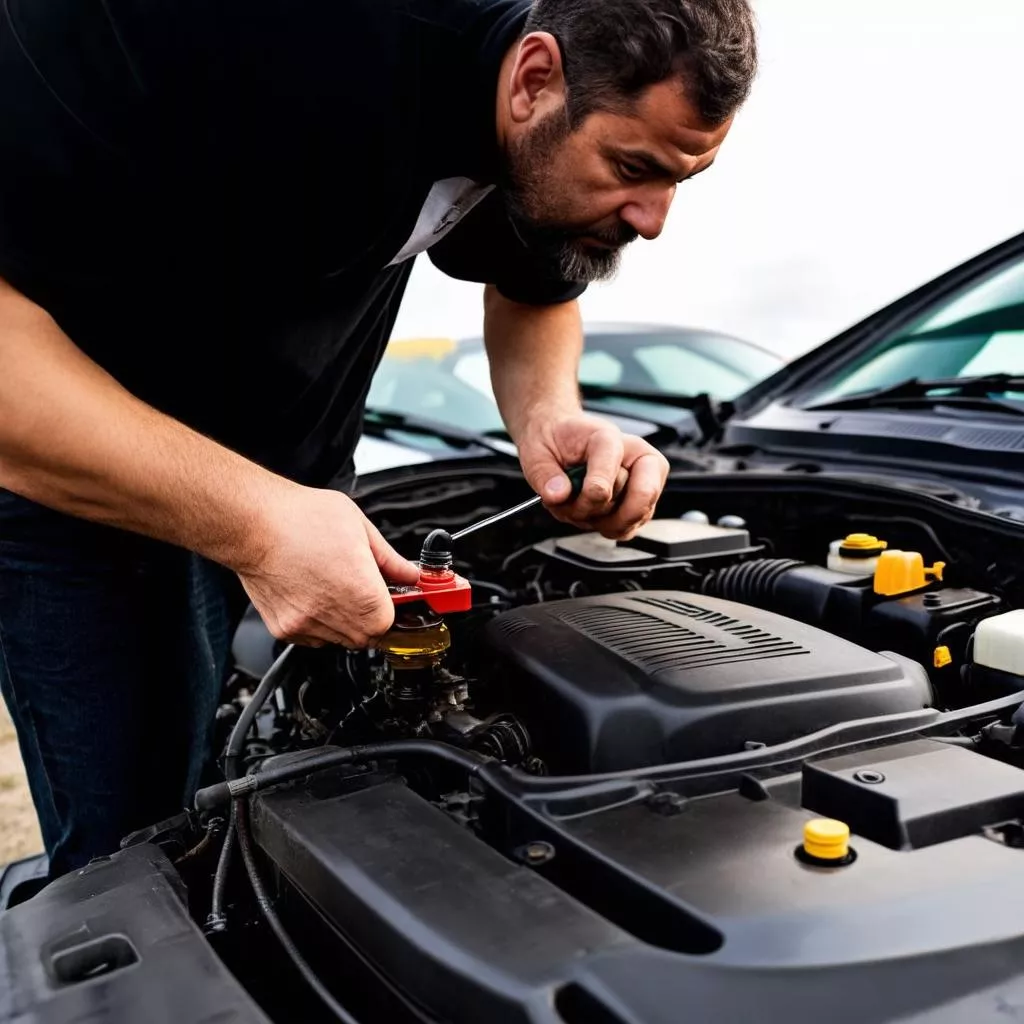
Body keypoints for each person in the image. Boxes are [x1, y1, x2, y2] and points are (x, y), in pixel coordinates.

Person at [0, 0, 757, 876]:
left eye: (677, 180)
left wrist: (550, 414)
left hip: (303, 505)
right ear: (535, 78)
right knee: (136, 850)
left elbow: (535, 287)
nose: (653, 220)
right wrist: (254, 524)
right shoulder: (186, 30)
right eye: (632, 168)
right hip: (86, 493)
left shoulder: (523, 109)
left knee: (258, 792)